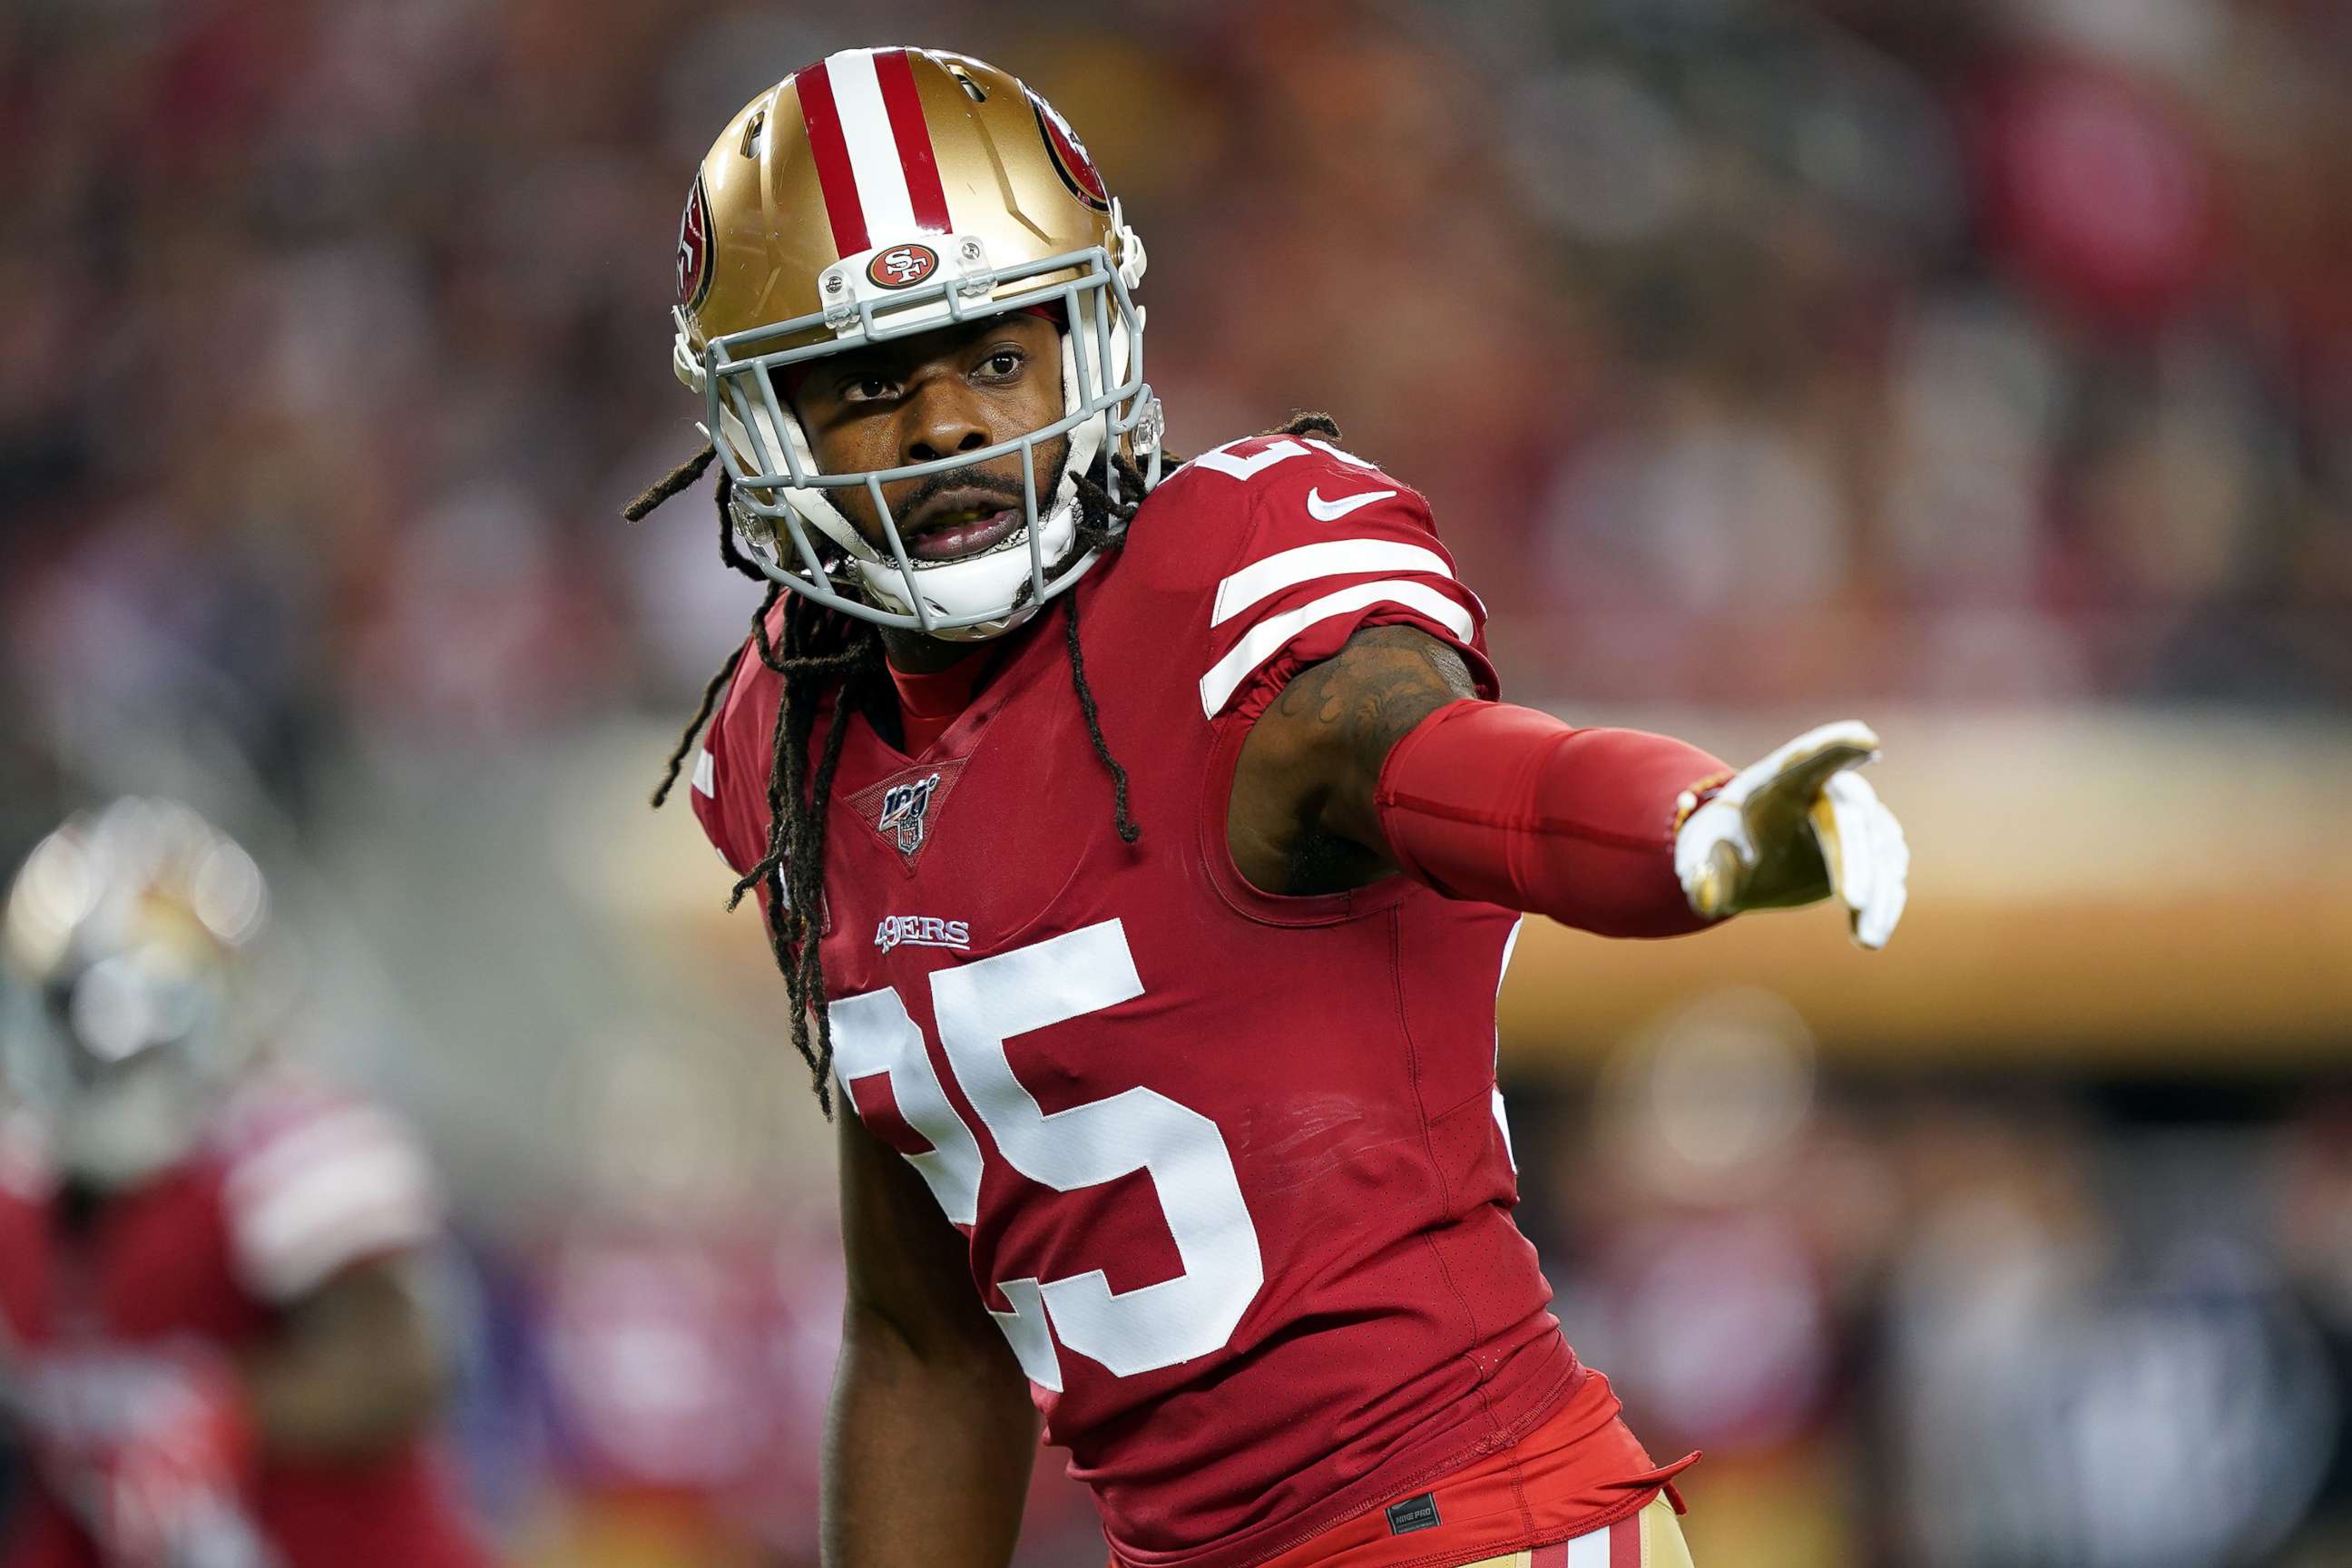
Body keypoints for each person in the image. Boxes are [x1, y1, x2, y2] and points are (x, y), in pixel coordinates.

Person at [629, 47, 1909, 1568]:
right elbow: (923, 1334)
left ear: (1089, 337)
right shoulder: (797, 737)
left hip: (1468, 1528)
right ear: (761, 430)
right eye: (868, 385)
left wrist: (1684, 830)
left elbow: (1440, 758)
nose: (946, 427)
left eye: (992, 356)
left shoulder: (1230, 581)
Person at [0, 800, 489, 1568]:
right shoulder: (20, 1194)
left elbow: (402, 1366)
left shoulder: (282, 1147)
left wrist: (234, 1410)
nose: (102, 1053)